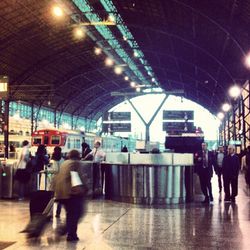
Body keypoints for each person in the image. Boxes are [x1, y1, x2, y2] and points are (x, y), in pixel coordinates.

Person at [54, 150, 87, 241]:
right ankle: (68, 233)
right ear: (78, 156)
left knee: (71, 214)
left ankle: (70, 233)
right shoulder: (75, 163)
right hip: (70, 193)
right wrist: (84, 188)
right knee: (77, 213)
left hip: (61, 193)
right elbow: (77, 176)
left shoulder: (64, 163)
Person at [48, 146, 64, 218]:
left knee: (51, 197)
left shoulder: (53, 160)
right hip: (61, 180)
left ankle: (50, 212)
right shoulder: (62, 159)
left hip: (54, 179)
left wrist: (47, 170)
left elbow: (55, 170)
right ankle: (58, 213)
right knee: (59, 197)